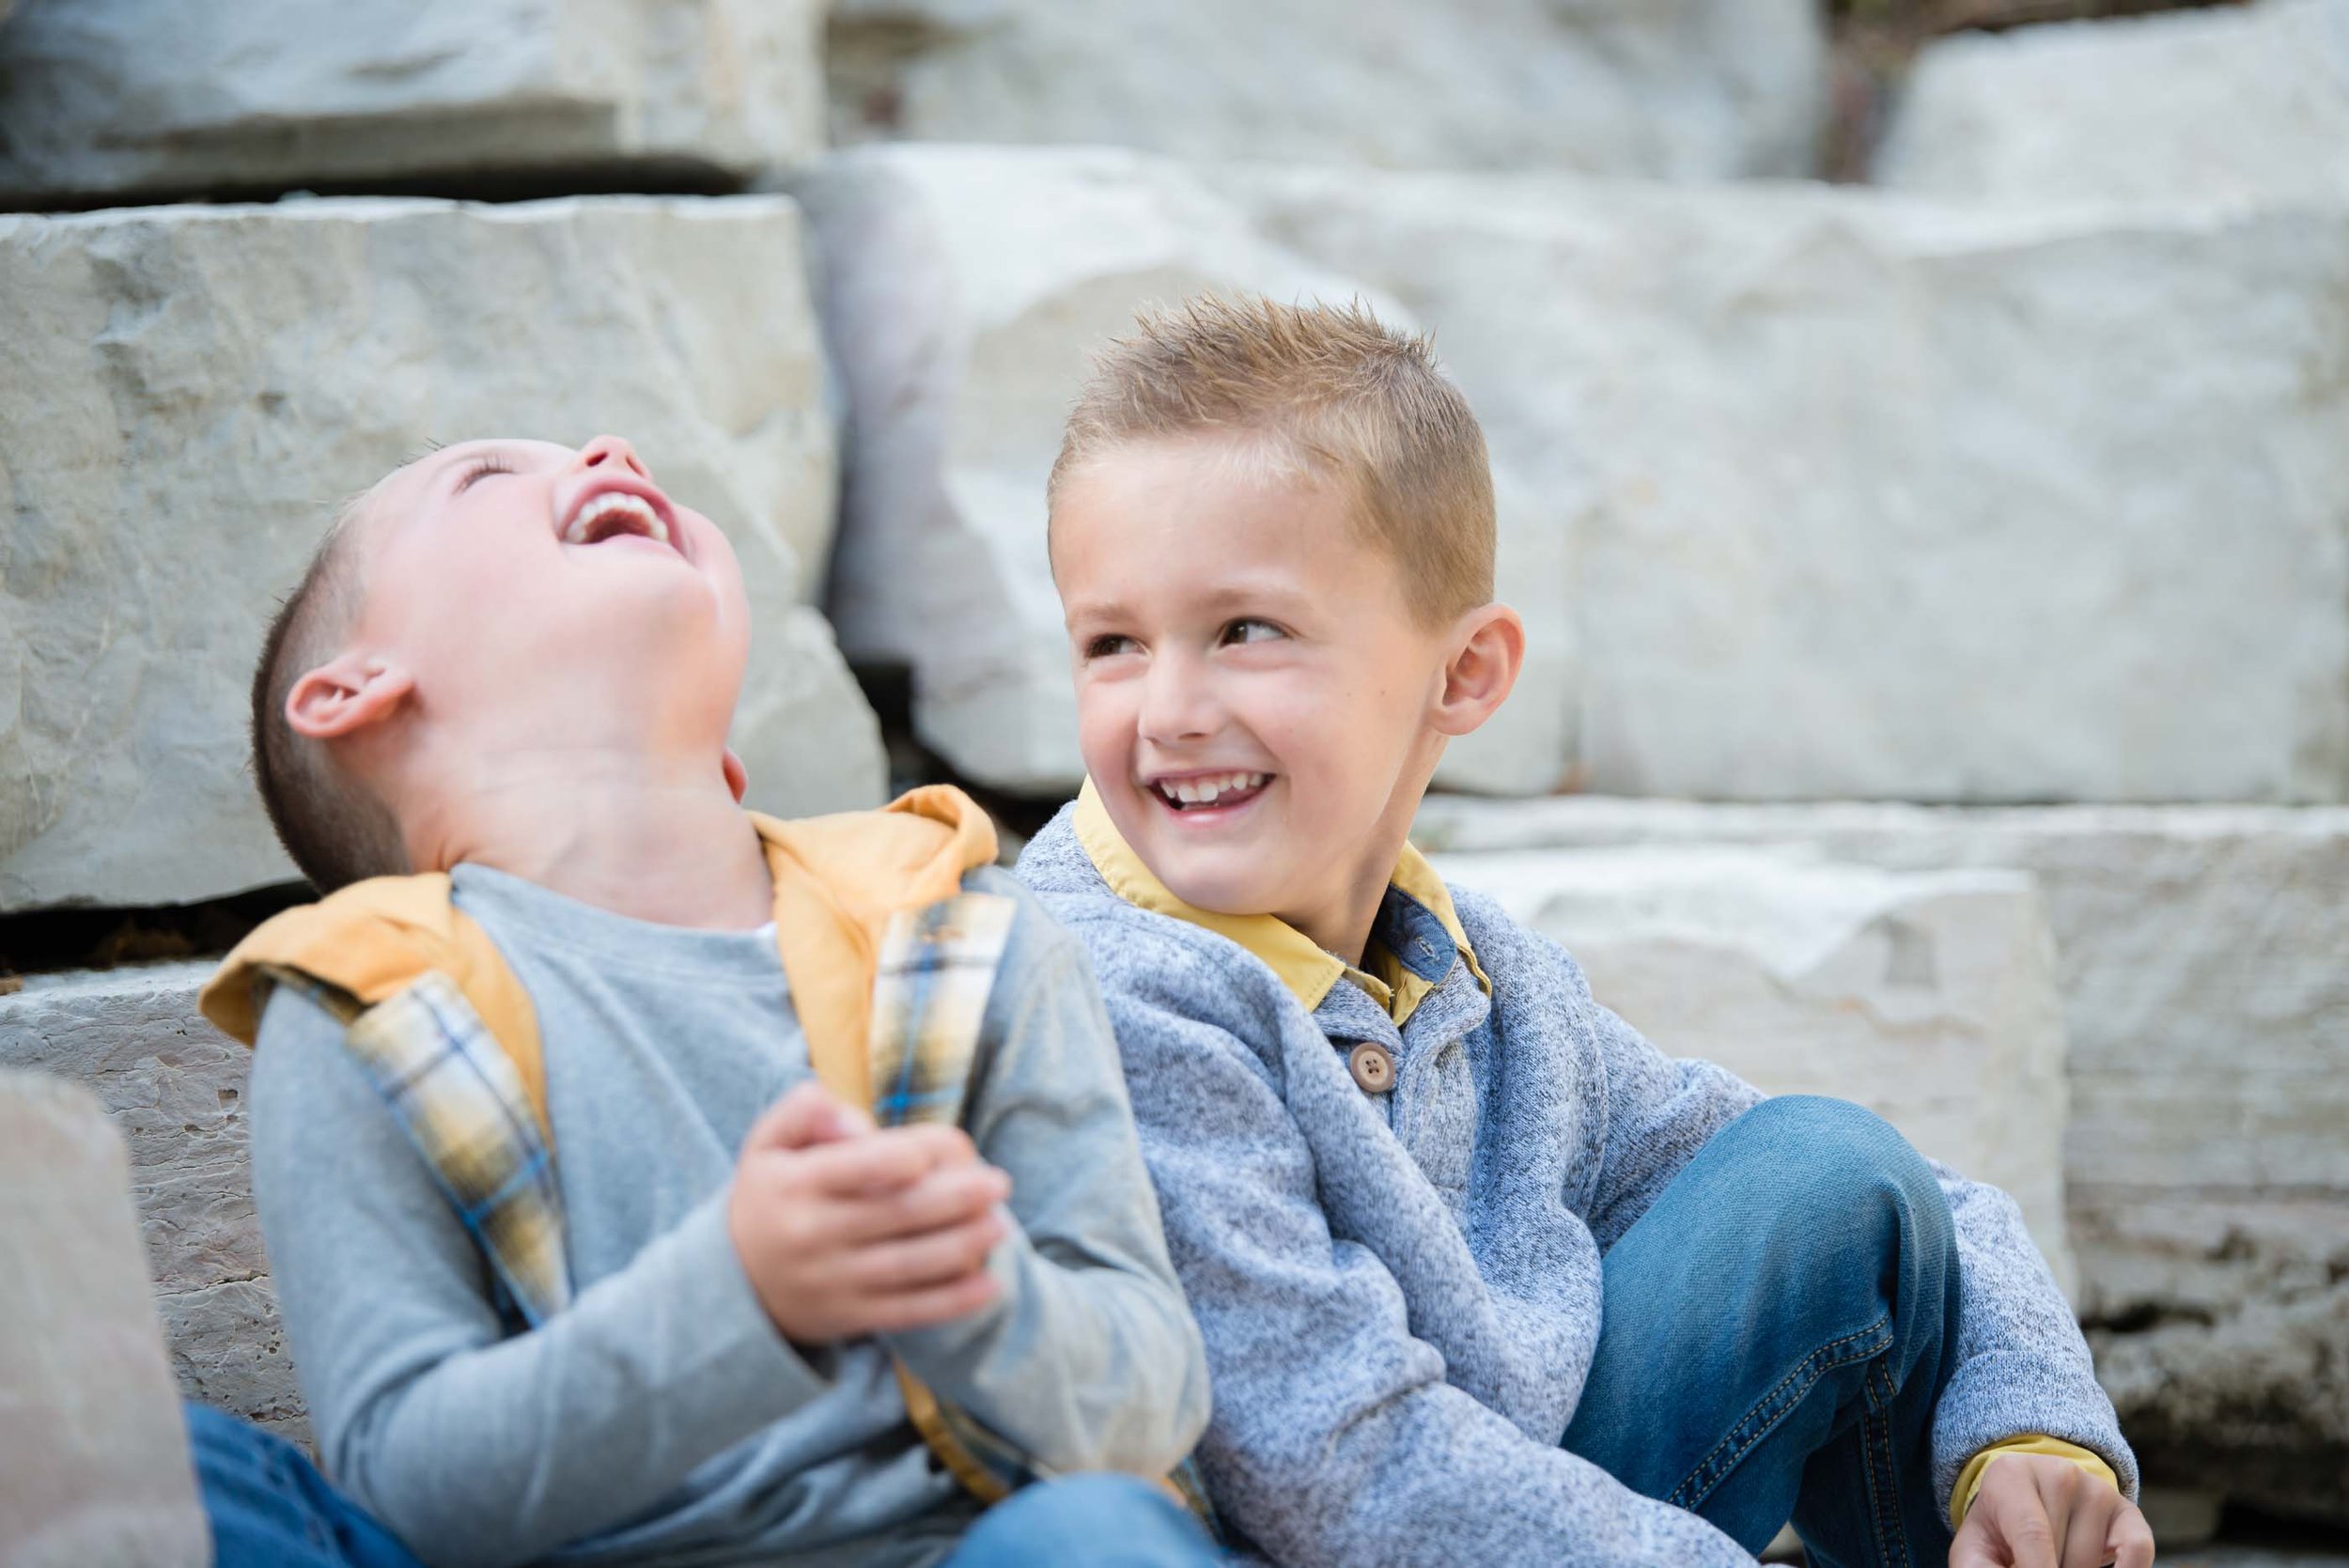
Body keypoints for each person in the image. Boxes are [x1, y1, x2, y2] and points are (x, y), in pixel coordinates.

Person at [1015, 296, 2155, 1568]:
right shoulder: (1105, 986)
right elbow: (1342, 1472)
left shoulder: (1472, 978)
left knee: (1834, 1182)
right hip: (1269, 1533)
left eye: (1246, 631)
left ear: (1465, 675)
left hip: (1508, 1510)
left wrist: (2032, 1432)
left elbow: (1935, 1202)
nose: (1167, 709)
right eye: (1112, 643)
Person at [190, 435, 1218, 1568]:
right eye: (486, 477)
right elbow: (411, 1482)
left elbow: (1150, 1406)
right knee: (157, 1460)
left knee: (1097, 1534)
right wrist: (741, 1298)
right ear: (354, 689)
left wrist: (980, 1294)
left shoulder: (956, 934)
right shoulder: (366, 1005)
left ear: (727, 749)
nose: (606, 450)